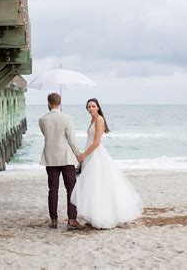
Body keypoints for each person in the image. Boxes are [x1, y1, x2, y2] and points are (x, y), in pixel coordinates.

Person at [71, 98, 143, 229]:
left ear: (98, 107)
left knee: (98, 184)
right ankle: (92, 215)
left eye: (93, 106)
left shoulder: (99, 120)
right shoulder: (92, 120)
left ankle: (102, 217)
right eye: (88, 107)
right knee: (91, 185)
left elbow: (97, 142)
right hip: (90, 154)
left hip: (95, 155)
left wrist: (83, 155)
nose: (91, 108)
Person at [39, 93, 85, 230]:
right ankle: (72, 219)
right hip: (66, 157)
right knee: (71, 188)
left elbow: (46, 135)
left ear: (48, 102)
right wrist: (78, 155)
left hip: (50, 157)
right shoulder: (67, 118)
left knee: (53, 189)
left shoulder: (42, 119)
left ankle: (53, 220)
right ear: (60, 103)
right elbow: (71, 139)